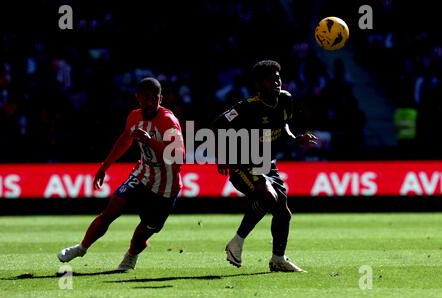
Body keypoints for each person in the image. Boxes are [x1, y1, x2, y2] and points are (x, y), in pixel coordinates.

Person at [57, 77, 184, 271]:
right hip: (142, 175)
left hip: (165, 188)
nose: (150, 103)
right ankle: (81, 248)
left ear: (161, 99)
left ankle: (131, 255)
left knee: (142, 235)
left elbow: (179, 156)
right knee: (110, 211)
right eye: (145, 98)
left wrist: (150, 141)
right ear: (138, 98)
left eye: (154, 98)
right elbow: (125, 139)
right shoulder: (134, 116)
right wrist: (104, 166)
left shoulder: (168, 121)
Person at [212, 60, 317, 272]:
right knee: (268, 196)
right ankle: (237, 243)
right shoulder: (248, 107)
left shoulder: (286, 100)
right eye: (271, 78)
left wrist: (295, 138)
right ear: (259, 84)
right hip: (241, 163)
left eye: (278, 76)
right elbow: (218, 125)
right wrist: (222, 156)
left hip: (267, 164)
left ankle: (278, 259)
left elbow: (283, 124)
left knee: (284, 213)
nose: (277, 81)